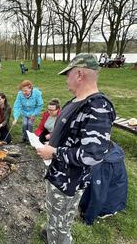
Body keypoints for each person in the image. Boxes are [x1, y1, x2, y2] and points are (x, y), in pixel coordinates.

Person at [36, 53, 116, 244]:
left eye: (68, 74)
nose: (66, 80)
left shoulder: (97, 107)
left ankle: (57, 239)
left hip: (69, 181)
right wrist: (51, 144)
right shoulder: (76, 101)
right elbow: (70, 135)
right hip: (58, 176)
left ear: (79, 74)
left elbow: (92, 155)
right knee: (55, 217)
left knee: (62, 222)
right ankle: (51, 233)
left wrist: (54, 152)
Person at [79, 141, 127, 225]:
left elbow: (98, 196)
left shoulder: (102, 164)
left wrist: (88, 219)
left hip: (105, 206)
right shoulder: (110, 148)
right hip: (114, 197)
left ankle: (93, 213)